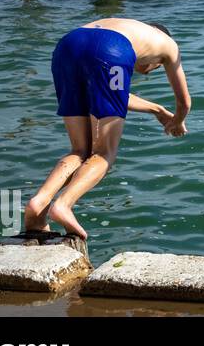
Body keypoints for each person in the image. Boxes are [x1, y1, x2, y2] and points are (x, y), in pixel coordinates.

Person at [23, 18, 190, 238]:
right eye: (155, 67)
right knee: (104, 152)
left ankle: (38, 203)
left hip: (68, 45)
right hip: (110, 49)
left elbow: (111, 94)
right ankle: (63, 205)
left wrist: (157, 110)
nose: (148, 72)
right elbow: (185, 101)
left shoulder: (125, 27)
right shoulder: (168, 45)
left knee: (79, 150)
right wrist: (177, 121)